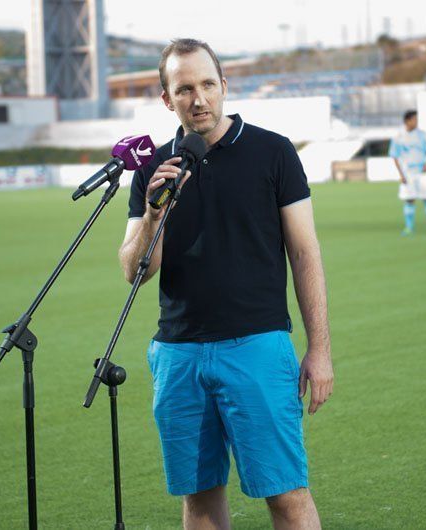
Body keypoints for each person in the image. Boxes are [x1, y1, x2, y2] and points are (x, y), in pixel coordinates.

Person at [120, 39, 333, 529]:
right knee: (198, 499)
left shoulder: (273, 152)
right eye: (185, 89)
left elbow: (305, 254)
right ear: (166, 99)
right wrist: (153, 214)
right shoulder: (153, 169)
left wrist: (319, 349)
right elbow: (134, 270)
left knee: (286, 496)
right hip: (179, 354)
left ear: (224, 86)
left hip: (256, 345)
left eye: (208, 85)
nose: (199, 99)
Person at [390, 109, 426, 235]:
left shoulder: (423, 134)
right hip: (407, 172)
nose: (416, 122)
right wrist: (400, 174)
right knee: (409, 199)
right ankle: (409, 227)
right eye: (414, 119)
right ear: (407, 121)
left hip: (422, 172)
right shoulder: (398, 137)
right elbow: (394, 156)